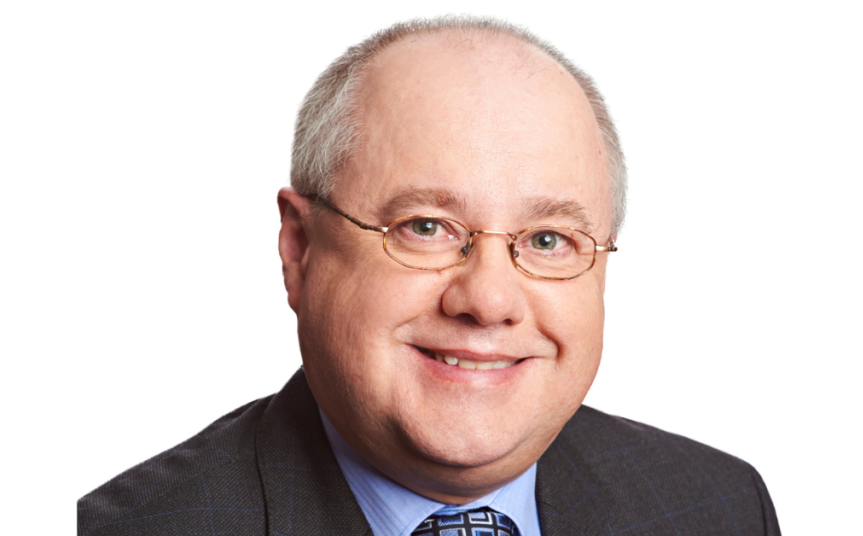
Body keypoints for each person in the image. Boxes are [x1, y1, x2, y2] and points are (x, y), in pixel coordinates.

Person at [79, 16, 779, 536]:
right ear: (299, 248)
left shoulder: (717, 506)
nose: (489, 300)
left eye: (547, 239)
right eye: (425, 227)